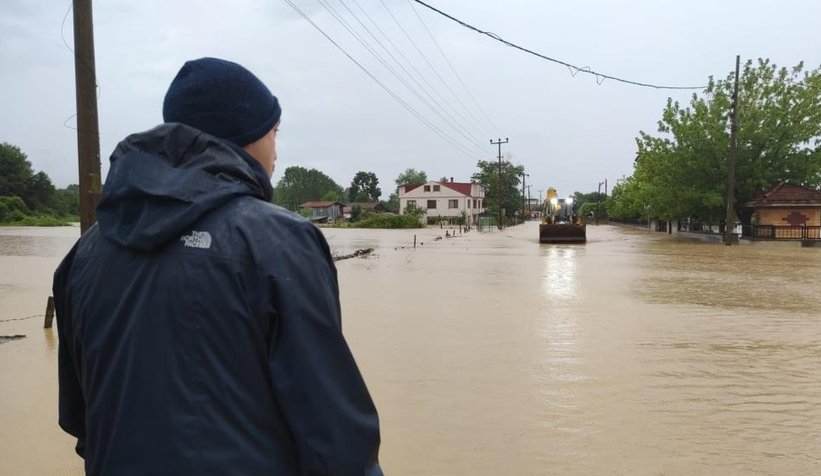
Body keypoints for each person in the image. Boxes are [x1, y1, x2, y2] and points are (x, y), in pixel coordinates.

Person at [53, 57, 382, 475]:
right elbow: (335, 435)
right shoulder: (279, 241)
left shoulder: (84, 253)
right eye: (274, 133)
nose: (276, 153)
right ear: (247, 137)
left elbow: (80, 419)